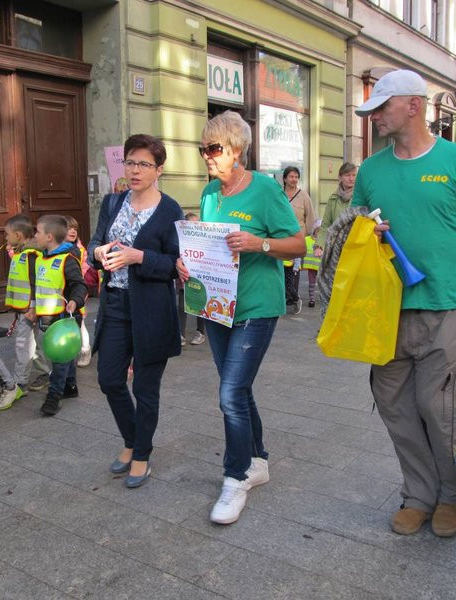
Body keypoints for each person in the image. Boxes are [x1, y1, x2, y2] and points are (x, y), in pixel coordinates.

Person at [350, 70, 456, 537]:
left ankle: (452, 494)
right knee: (394, 403)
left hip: (445, 304)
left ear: (413, 106)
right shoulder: (370, 170)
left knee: (439, 404)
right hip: (385, 310)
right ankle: (418, 494)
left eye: (382, 107)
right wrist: (364, 230)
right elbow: (350, 232)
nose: (375, 117)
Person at [178, 111, 305, 524]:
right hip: (216, 306)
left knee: (230, 394)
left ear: (236, 150)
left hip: (256, 307)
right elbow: (210, 247)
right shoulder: (211, 194)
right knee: (239, 389)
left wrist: (258, 244)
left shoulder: (267, 190)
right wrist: (189, 264)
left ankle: (235, 478)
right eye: (204, 150)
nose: (207, 157)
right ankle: (258, 459)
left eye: (213, 149)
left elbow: (299, 244)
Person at [88, 133, 184, 489]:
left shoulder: (170, 209)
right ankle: (132, 439)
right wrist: (98, 253)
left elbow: (176, 264)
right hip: (115, 302)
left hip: (152, 309)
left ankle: (141, 453)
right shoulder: (113, 202)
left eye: (144, 164)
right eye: (130, 162)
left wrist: (137, 256)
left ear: (159, 169)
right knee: (109, 379)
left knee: (146, 388)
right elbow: (94, 243)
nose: (135, 170)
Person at [32, 214, 86, 416]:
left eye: (37, 231)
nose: (34, 234)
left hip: (64, 316)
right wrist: (33, 308)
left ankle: (53, 397)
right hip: (46, 316)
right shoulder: (40, 259)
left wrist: (75, 301)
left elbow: (79, 285)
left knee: (59, 357)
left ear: (49, 237)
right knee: (63, 356)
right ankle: (70, 386)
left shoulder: (68, 259)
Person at [0, 214, 50, 410]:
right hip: (24, 309)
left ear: (18, 235)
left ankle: (19, 383)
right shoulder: (21, 254)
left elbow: (36, 282)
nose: (5, 238)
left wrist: (34, 306)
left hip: (29, 310)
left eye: (7, 234)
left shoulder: (30, 256)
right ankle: (46, 372)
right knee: (31, 344)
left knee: (23, 344)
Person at [281, 166, 317, 314]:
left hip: (298, 237)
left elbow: (310, 216)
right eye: (291, 176)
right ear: (284, 179)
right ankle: (286, 296)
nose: (294, 179)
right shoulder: (280, 195)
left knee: (294, 269)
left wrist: (310, 234)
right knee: (283, 268)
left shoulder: (304, 196)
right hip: (282, 237)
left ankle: (293, 297)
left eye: (296, 176)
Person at [65, 215, 94, 366]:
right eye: (69, 228)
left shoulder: (80, 250)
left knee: (80, 322)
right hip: (64, 293)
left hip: (77, 291)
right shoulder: (56, 249)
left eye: (75, 228)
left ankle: (85, 350)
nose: (73, 231)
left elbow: (84, 270)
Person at [177, 212, 206, 345]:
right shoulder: (181, 241)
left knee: (200, 306)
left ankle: (200, 332)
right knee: (182, 306)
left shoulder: (203, 241)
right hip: (185, 279)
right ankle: (181, 335)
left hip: (200, 279)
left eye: (198, 224)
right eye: (193, 224)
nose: (196, 227)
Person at [317, 162, 358, 248]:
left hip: (355, 247)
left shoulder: (360, 197)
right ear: (340, 177)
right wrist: (319, 245)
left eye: (354, 175)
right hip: (336, 247)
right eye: (347, 175)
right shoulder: (333, 199)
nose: (351, 178)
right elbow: (325, 225)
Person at [302, 222, 322, 307]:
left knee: (322, 284)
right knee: (311, 284)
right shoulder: (307, 240)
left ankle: (322, 299)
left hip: (321, 267)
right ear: (314, 231)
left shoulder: (324, 241)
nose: (319, 233)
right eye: (318, 231)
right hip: (311, 266)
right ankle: (312, 299)